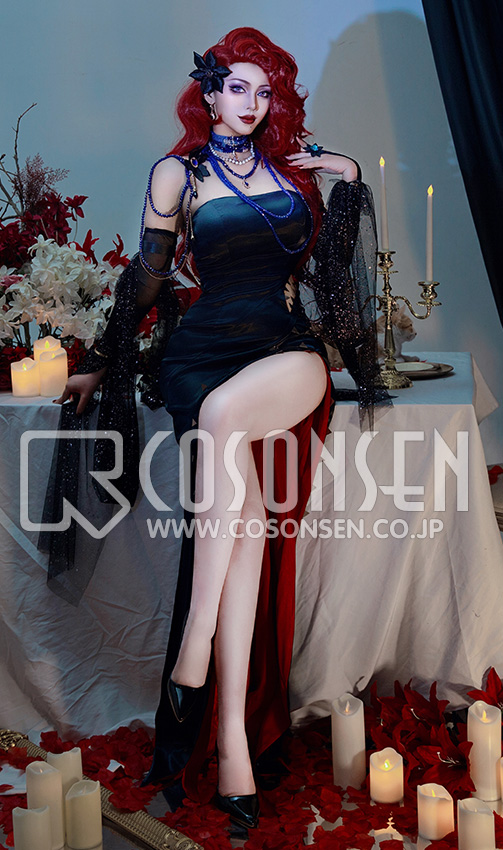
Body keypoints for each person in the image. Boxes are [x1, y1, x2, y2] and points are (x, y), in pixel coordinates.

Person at [52, 27, 386, 830]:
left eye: (264, 91)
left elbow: (332, 279)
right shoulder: (179, 173)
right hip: (201, 357)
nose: (252, 102)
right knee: (242, 528)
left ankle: (193, 643)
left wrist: (348, 181)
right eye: (238, 86)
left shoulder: (292, 174)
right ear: (208, 93)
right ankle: (232, 744)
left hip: (286, 352)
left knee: (225, 421)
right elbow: (147, 274)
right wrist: (100, 358)